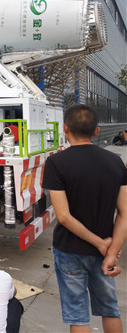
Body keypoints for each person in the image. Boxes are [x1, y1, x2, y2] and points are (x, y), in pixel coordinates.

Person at [42, 104, 127, 332]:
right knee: (110, 309)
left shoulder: (56, 163)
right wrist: (111, 251)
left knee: (78, 316)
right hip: (104, 252)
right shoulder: (116, 162)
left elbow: (63, 217)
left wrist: (100, 244)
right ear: (96, 131)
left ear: (65, 128)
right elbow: (125, 213)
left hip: (70, 250)